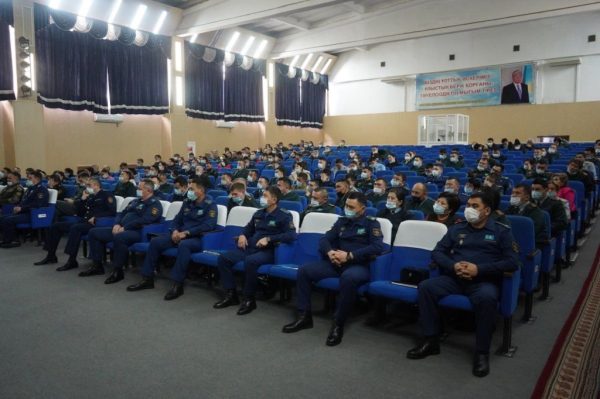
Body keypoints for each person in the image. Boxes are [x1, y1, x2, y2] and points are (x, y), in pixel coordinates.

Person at [407, 191, 519, 377]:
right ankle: (431, 340)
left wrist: (479, 269)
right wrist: (453, 265)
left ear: (487, 210)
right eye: (468, 205)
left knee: (487, 298)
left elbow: (513, 262)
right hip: (454, 278)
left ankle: (482, 352)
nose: (469, 209)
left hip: (483, 281)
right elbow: (437, 252)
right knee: (426, 287)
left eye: (475, 206)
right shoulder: (457, 229)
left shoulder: (501, 231)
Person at [282, 192, 384, 346]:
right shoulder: (341, 222)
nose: (347, 209)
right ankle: (304, 317)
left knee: (348, 278)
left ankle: (338, 324)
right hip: (336, 262)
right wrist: (330, 252)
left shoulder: (371, 224)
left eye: (351, 207)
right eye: (346, 205)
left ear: (362, 209)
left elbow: (377, 247)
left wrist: (349, 256)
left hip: (358, 265)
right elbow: (324, 239)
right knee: (304, 271)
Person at [127, 178, 219, 300]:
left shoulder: (210, 205)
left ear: (201, 190)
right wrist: (175, 230)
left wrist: (186, 233)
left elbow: (209, 225)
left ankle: (177, 284)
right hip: (179, 234)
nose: (189, 191)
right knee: (155, 242)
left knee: (184, 245)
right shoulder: (187, 202)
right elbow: (177, 219)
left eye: (192, 189)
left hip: (198, 239)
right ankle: (147, 278)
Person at [214, 186, 297, 315]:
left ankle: (249, 299)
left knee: (250, 261)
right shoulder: (259, 213)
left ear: (274, 199)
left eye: (265, 196)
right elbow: (248, 229)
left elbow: (291, 235)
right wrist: (242, 235)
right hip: (251, 247)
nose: (262, 199)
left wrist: (269, 239)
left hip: (270, 251)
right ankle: (231, 295)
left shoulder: (284, 215)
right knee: (224, 258)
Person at [81, 179, 162, 284]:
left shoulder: (154, 204)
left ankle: (118, 271)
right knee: (94, 232)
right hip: (121, 228)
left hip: (138, 232)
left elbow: (145, 220)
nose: (137, 190)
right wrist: (117, 224)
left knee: (120, 237)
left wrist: (125, 227)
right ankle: (97, 266)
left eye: (140, 188)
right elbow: (121, 213)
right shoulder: (135, 201)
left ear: (148, 190)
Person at [34, 177, 117, 270]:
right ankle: (51, 255)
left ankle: (72, 260)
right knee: (55, 226)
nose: (87, 187)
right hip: (84, 222)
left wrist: (97, 217)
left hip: (97, 224)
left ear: (96, 185)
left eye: (89, 185)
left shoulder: (106, 195)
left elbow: (112, 211)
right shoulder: (91, 197)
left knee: (76, 228)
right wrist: (83, 200)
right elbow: (80, 212)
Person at [0, 171, 49, 248]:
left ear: (37, 178)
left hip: (32, 214)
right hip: (24, 212)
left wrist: (22, 208)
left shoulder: (42, 190)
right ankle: (6, 239)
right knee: (3, 217)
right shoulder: (30, 189)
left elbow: (38, 204)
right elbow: (23, 201)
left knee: (8, 220)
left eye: (30, 178)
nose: (28, 180)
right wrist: (18, 206)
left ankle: (12, 241)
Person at [505, 184, 549, 248]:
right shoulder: (512, 208)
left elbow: (532, 232)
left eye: (517, 193)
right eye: (513, 193)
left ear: (527, 197)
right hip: (514, 240)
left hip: (533, 243)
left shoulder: (535, 211)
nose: (513, 195)